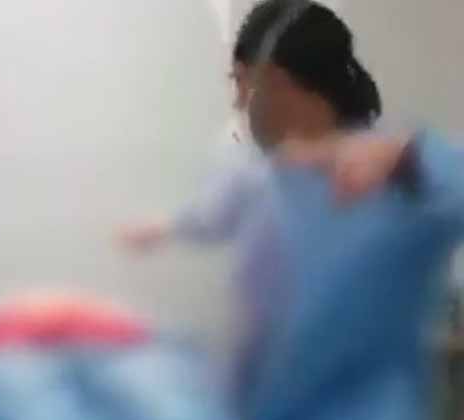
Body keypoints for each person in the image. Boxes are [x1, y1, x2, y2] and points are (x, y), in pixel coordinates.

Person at [120, 0, 383, 414]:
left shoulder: (369, 169)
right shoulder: (259, 163)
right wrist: (163, 227)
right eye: (237, 81)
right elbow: (218, 212)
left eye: (246, 81)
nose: (240, 100)